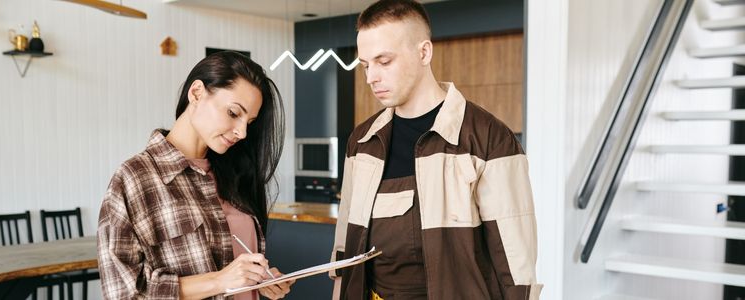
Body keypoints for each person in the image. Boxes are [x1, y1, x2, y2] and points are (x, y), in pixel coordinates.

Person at [329, 1, 542, 299]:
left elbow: (516, 266)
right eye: (366, 65)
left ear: (424, 52)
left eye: (384, 61)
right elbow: (345, 250)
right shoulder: (361, 141)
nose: (370, 77)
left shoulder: (489, 139)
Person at [97, 51, 293, 300]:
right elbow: (123, 293)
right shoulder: (135, 179)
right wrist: (218, 281)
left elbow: (235, 271)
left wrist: (258, 280)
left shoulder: (234, 175)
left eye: (249, 122)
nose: (242, 132)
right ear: (197, 93)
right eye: (233, 113)